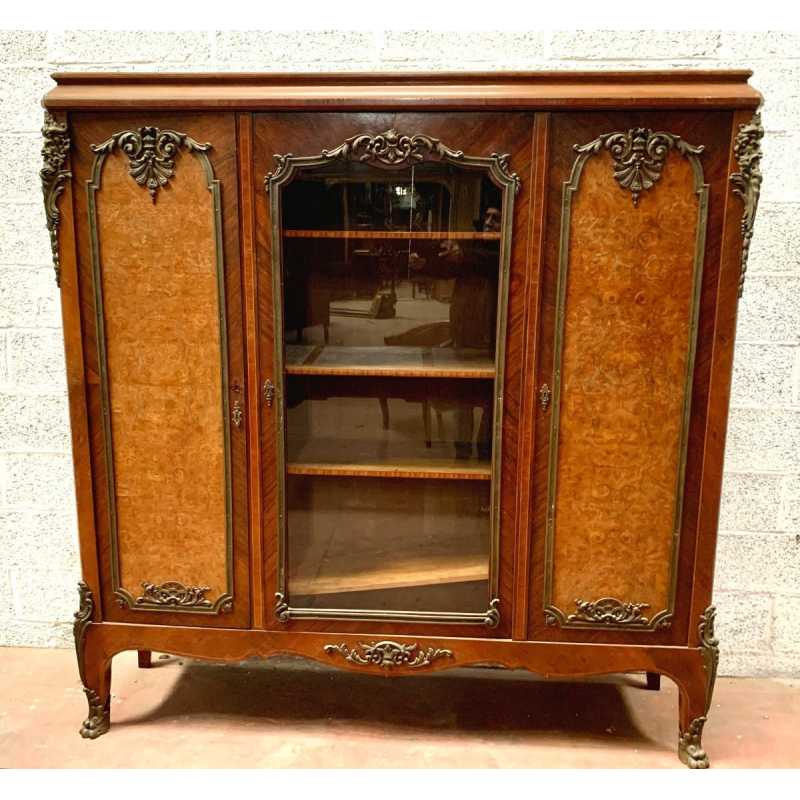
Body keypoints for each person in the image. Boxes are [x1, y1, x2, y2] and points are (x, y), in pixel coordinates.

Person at [409, 202, 501, 460]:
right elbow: (449, 268)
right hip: (464, 331)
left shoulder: (506, 250)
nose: (489, 223)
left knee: (490, 397)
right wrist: (425, 265)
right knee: (463, 395)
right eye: (487, 216)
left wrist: (464, 256)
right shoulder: (472, 246)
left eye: (496, 219)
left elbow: (490, 262)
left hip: (494, 334)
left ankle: (485, 451)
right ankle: (462, 449)